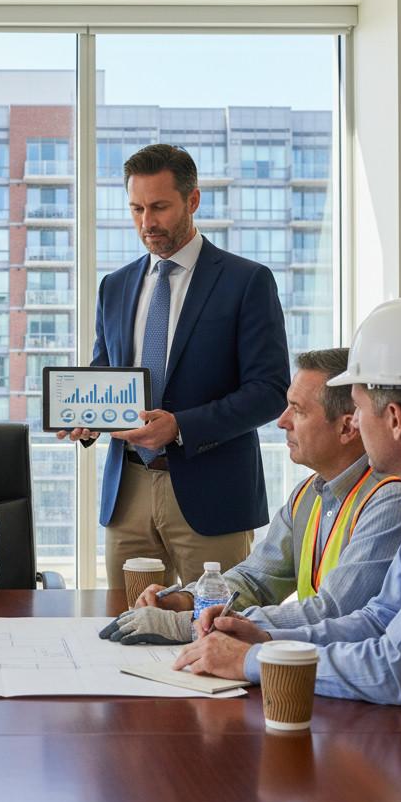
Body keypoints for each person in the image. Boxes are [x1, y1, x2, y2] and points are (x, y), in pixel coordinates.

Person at [174, 297, 401, 725]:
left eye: (359, 410)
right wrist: (269, 637)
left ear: (395, 419)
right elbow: (379, 618)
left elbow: (400, 668)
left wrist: (254, 660)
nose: (356, 425)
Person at [59, 143, 290, 590]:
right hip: (126, 491)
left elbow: (269, 389)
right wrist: (83, 415)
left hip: (212, 496)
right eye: (137, 208)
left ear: (193, 200)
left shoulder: (246, 281)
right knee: (126, 626)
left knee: (213, 631)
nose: (147, 223)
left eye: (160, 207)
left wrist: (179, 426)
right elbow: (106, 371)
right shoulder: (115, 286)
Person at [103, 348, 401, 644]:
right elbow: (254, 579)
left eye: (297, 410)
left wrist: (191, 625)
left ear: (347, 427)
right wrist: (184, 599)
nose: (282, 421)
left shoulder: (390, 500)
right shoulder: (307, 494)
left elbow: (334, 612)